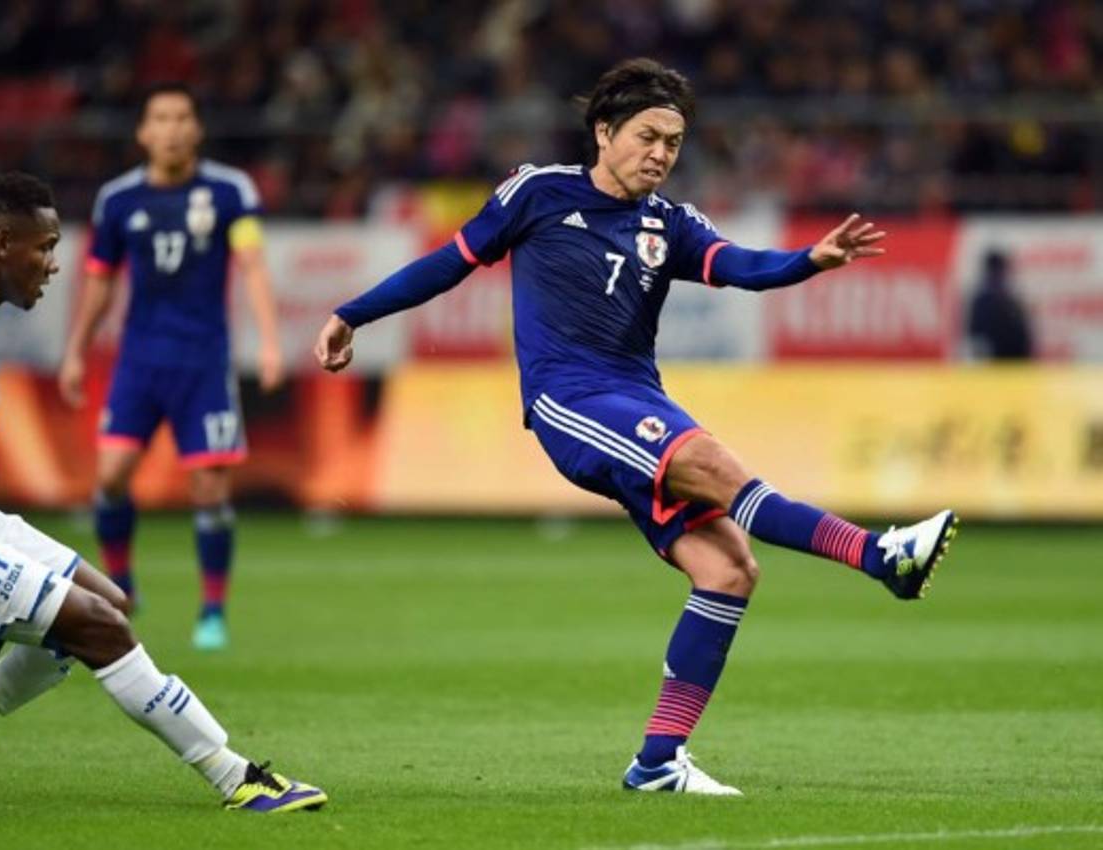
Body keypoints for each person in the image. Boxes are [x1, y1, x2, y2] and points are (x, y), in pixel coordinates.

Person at [314, 59, 958, 795]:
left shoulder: (669, 222)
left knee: (729, 569)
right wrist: (351, 315)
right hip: (570, 400)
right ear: (604, 132)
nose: (660, 154)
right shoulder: (538, 193)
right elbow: (446, 263)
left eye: (673, 143)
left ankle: (657, 762)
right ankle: (878, 556)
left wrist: (809, 260)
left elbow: (740, 266)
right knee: (710, 461)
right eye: (648, 136)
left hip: (638, 396)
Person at [0, 173, 325, 813]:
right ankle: (238, 777)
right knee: (100, 628)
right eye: (45, 246)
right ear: (2, 242)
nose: (54, 264)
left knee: (104, 600)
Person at [58, 82, 284, 651]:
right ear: (143, 132)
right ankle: (122, 586)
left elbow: (253, 264)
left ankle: (212, 612)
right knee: (110, 477)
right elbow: (100, 281)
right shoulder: (118, 200)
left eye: (183, 118)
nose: (173, 129)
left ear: (197, 129)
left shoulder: (230, 191)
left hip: (204, 363)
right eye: (161, 118)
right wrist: (76, 350)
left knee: (209, 488)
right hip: (139, 361)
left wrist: (270, 343)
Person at [966, 249, 1034, 359]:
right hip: (995, 362)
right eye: (998, 271)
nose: (1001, 275)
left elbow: (1024, 337)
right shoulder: (982, 302)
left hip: (1016, 361)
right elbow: (976, 337)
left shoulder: (1012, 299)